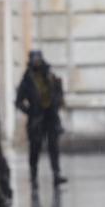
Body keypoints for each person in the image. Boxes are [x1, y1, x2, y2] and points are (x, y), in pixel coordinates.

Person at [15, 49, 67, 188]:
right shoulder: (27, 80)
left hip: (50, 117)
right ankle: (33, 177)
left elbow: (57, 91)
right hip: (36, 119)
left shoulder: (49, 75)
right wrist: (30, 111)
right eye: (35, 59)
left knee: (53, 147)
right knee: (35, 149)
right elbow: (19, 101)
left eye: (39, 58)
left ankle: (56, 174)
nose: (37, 61)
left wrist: (58, 100)